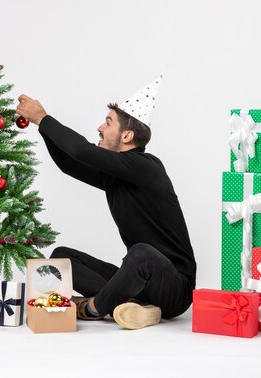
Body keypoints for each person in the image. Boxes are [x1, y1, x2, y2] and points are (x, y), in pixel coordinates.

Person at [16, 75, 196, 330]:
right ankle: (131, 306)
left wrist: (43, 117)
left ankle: (94, 308)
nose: (100, 127)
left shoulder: (147, 167)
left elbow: (81, 150)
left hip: (175, 289)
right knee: (61, 259)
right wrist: (40, 126)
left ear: (127, 136)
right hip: (140, 282)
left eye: (108, 122)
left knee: (141, 253)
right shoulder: (116, 175)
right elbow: (70, 163)